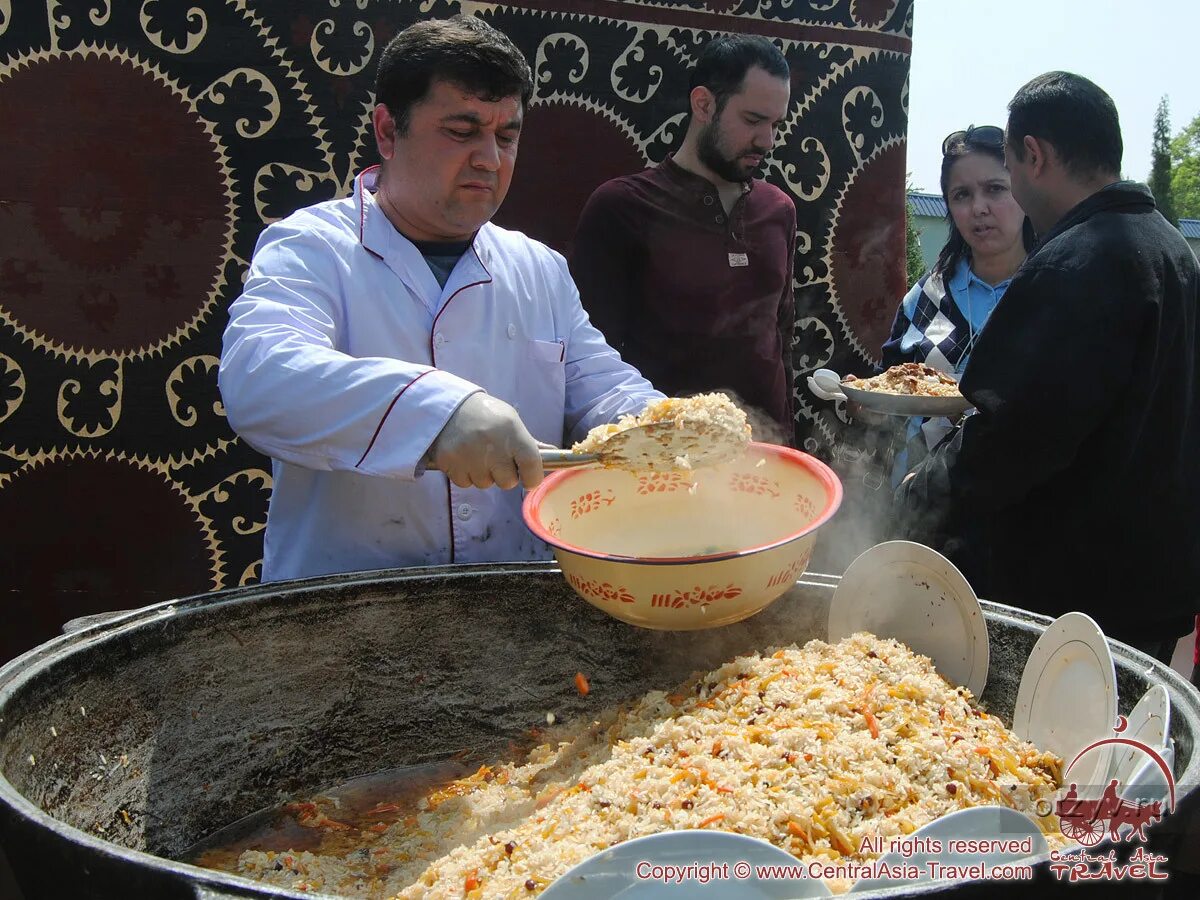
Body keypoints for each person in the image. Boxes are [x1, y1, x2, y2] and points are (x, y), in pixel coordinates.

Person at [219, 16, 662, 582]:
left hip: (511, 610)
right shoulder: (312, 248)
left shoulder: (539, 269)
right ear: (387, 130)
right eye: (462, 130)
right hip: (340, 619)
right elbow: (261, 379)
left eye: (506, 136)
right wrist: (439, 414)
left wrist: (663, 427)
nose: (490, 159)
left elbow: (603, 388)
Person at [895, 72, 1200, 656]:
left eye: (1005, 169)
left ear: (1032, 155)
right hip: (1151, 588)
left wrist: (916, 499)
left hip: (1075, 607)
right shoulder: (1171, 249)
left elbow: (1013, 436)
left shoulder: (1076, 264)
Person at [569, 35, 796, 443]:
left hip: (768, 465)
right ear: (704, 104)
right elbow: (586, 362)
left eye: (776, 124)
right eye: (752, 120)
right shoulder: (622, 207)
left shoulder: (778, 211)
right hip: (663, 466)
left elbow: (781, 341)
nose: (768, 141)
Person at [879, 125, 1036, 486]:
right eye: (962, 195)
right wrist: (864, 403)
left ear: (1024, 190)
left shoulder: (1048, 291)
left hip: (1015, 497)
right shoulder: (926, 297)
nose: (979, 208)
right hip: (917, 491)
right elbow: (889, 385)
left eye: (995, 189)